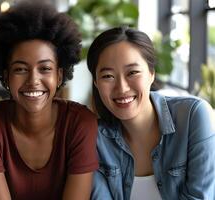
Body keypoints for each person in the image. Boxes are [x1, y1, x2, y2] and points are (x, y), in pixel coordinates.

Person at [0, 2, 98, 200]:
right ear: (6, 76)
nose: (33, 81)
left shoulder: (80, 123)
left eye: (45, 69)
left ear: (59, 75)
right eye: (20, 69)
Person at [87, 26, 215, 200]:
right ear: (96, 82)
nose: (122, 88)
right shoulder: (94, 139)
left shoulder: (193, 116)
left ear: (151, 74)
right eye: (108, 76)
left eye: (132, 72)